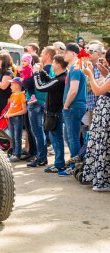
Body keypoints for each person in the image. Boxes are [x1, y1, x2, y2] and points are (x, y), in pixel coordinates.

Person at [81, 48, 110, 191]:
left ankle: (103, 180)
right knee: (103, 144)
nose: (103, 60)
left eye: (105, 58)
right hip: (103, 112)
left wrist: (90, 74)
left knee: (103, 144)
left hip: (106, 114)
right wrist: (105, 74)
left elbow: (98, 91)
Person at [34, 55, 68, 173]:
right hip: (55, 112)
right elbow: (50, 82)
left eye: (53, 63)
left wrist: (35, 74)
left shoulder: (60, 80)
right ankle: (59, 163)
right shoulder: (61, 77)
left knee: (56, 139)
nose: (52, 65)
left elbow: (40, 87)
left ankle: (59, 164)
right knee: (56, 138)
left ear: (58, 65)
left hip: (55, 113)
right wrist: (41, 72)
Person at [58, 43, 87, 176]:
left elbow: (73, 90)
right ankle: (75, 165)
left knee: (73, 137)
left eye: (66, 52)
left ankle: (75, 167)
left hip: (73, 106)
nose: (64, 55)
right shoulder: (76, 68)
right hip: (74, 106)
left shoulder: (75, 69)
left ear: (73, 54)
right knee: (70, 137)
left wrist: (66, 105)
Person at [6, 77, 27, 162]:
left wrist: (12, 114)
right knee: (12, 137)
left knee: (17, 137)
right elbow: (10, 107)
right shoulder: (12, 95)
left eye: (12, 85)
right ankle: (14, 152)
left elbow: (24, 110)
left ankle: (17, 154)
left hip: (17, 118)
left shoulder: (21, 95)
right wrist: (7, 113)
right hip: (11, 118)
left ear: (17, 85)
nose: (10, 86)